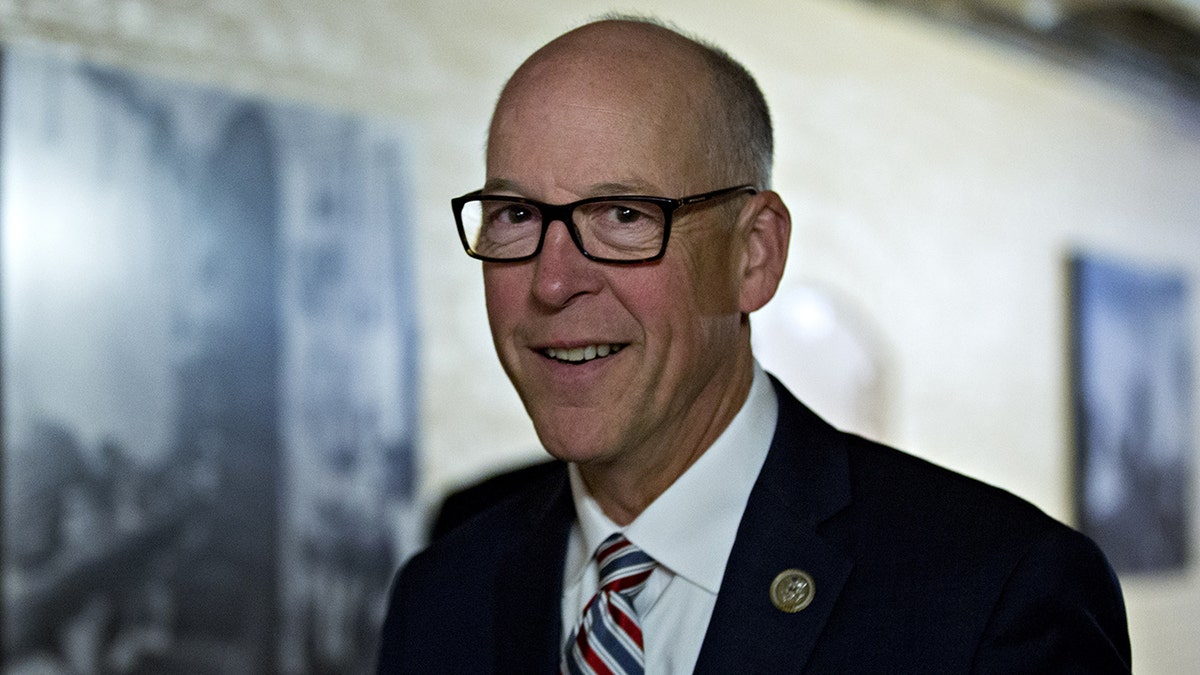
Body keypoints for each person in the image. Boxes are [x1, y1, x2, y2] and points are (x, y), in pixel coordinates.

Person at [377, 15, 1131, 674]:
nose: (551, 282)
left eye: (623, 214)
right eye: (515, 214)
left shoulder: (993, 593)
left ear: (753, 256)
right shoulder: (443, 597)